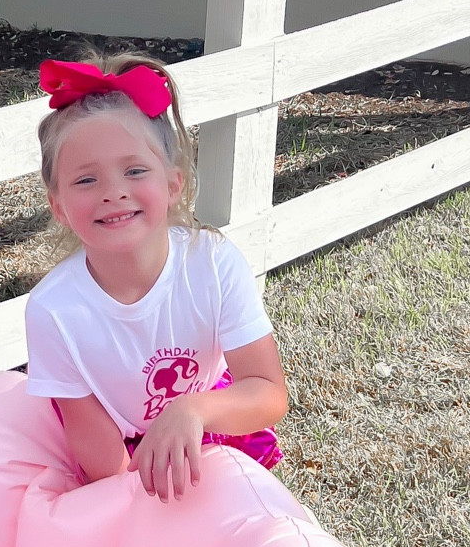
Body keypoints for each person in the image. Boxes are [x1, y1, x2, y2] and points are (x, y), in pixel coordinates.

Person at [24, 53, 288, 501]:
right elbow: (97, 446)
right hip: (123, 458)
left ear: (172, 184)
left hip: (212, 420)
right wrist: (139, 508)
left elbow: (267, 394)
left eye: (135, 170)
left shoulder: (213, 264)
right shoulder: (53, 310)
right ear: (58, 206)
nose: (113, 192)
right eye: (86, 180)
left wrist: (192, 409)